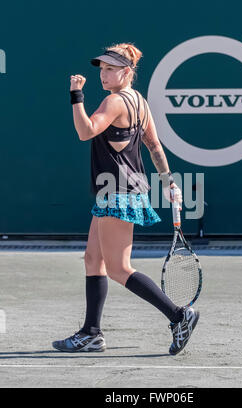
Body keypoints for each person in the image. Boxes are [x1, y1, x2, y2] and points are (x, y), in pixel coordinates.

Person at [52, 43, 199, 355]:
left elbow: (86, 131)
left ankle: (178, 316)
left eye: (110, 69)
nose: (103, 74)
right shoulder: (140, 103)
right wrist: (169, 182)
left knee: (119, 268)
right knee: (93, 259)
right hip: (117, 192)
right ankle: (91, 333)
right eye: (102, 69)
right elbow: (154, 146)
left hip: (117, 194)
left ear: (127, 72)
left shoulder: (115, 102)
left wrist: (76, 96)